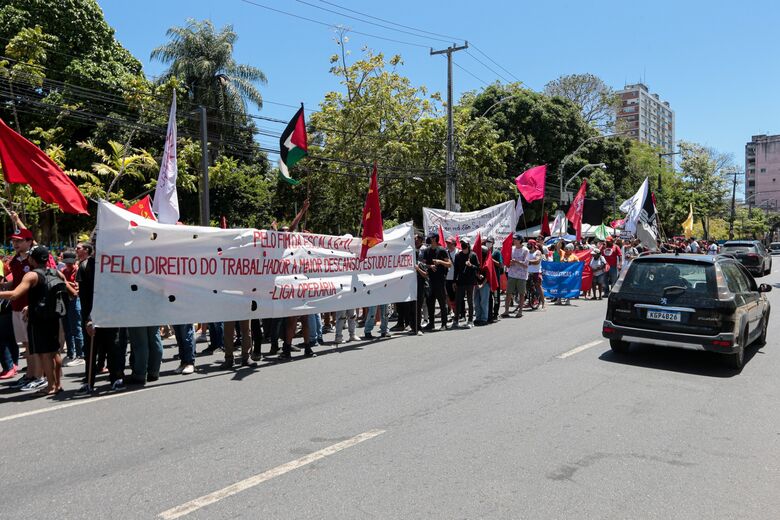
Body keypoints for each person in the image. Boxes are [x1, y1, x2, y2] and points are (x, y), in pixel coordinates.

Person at [0, 245, 74, 395]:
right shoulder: (56, 272)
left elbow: (15, 294)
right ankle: (57, 384)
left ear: (32, 260)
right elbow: (72, 293)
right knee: (55, 352)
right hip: (53, 317)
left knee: (44, 353)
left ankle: (50, 387)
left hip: (38, 319)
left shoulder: (31, 275)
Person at [76, 241, 125, 395]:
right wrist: (88, 319)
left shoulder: (115, 264)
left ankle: (116, 378)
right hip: (92, 315)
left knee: (113, 347)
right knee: (91, 348)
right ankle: (89, 381)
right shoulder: (85, 266)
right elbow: (85, 298)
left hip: (111, 314)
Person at [5, 228, 47, 392]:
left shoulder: (35, 260)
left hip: (30, 307)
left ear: (29, 241)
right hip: (16, 306)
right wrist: (4, 285)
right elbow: (15, 283)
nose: (15, 243)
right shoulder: (15, 261)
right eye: (14, 241)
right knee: (26, 345)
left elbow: (44, 281)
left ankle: (39, 376)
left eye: (19, 240)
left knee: (34, 344)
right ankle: (30, 374)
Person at [59, 249, 84, 367]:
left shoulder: (77, 270)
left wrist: (65, 282)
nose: (68, 265)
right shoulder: (63, 270)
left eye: (71, 263)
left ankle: (80, 354)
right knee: (67, 330)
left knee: (76, 329)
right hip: (65, 301)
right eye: (67, 262)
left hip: (75, 301)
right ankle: (70, 354)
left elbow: (77, 287)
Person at [423, 233, 451, 331]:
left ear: (435, 239)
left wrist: (439, 262)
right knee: (430, 303)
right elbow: (424, 264)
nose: (429, 239)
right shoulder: (427, 251)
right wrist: (430, 266)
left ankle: (444, 324)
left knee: (442, 303)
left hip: (440, 280)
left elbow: (449, 264)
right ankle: (431, 324)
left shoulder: (442, 250)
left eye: (430, 237)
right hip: (430, 281)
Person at [452, 238, 478, 328]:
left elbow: (477, 268)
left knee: (470, 301)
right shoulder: (458, 255)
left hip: (470, 281)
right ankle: (456, 320)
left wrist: (471, 265)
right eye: (461, 243)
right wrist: (454, 281)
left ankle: (470, 320)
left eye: (464, 243)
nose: (463, 245)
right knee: (458, 300)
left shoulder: (473, 255)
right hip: (460, 281)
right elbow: (455, 270)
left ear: (468, 244)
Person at [503, 234, 528, 318]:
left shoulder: (525, 250)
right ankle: (506, 311)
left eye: (515, 239)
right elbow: (507, 261)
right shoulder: (512, 249)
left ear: (520, 240)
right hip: (512, 274)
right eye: (513, 239)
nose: (513, 240)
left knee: (521, 294)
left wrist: (516, 261)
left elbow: (526, 264)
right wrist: (509, 262)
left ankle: (520, 311)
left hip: (521, 276)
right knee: (508, 293)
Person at [473, 245, 491, 325]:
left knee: (483, 302)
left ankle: (484, 318)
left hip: (485, 284)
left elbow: (488, 276)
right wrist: (477, 279)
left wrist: (482, 285)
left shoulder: (488, 262)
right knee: (476, 302)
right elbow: (475, 271)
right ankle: (478, 317)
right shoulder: (476, 261)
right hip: (476, 284)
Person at [526, 239, 545, 309]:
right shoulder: (527, 252)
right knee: (528, 287)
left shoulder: (538, 252)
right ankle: (531, 301)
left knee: (538, 287)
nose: (528, 245)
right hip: (528, 272)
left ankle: (543, 303)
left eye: (529, 244)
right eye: (527, 244)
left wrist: (529, 262)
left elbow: (537, 261)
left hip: (536, 272)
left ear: (533, 245)